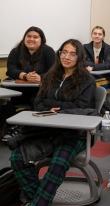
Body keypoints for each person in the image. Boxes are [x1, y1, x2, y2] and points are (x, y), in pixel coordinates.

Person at [10, 39, 96, 206]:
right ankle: (39, 199)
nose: (67, 57)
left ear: (79, 57)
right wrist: (56, 107)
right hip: (47, 132)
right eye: (64, 52)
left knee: (58, 164)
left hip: (74, 135)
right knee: (17, 158)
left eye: (72, 53)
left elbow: (82, 108)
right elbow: (38, 103)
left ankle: (37, 203)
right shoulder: (50, 76)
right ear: (59, 54)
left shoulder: (87, 80)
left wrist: (57, 107)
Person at [6, 26, 56, 106]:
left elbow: (54, 71)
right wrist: (25, 76)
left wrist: (40, 77)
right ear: (24, 38)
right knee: (8, 106)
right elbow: (11, 69)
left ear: (41, 40)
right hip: (18, 88)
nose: (31, 39)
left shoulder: (48, 51)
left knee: (36, 102)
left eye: (35, 37)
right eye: (28, 36)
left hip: (41, 89)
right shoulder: (16, 50)